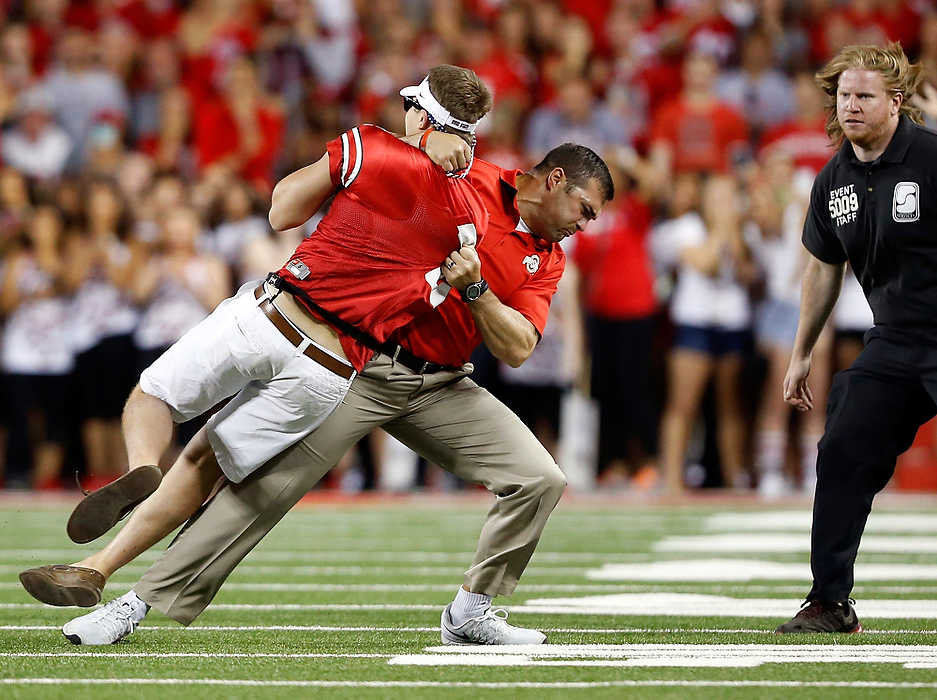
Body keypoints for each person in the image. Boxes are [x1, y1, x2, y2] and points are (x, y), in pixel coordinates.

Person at [44, 142, 613, 647]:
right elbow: (391, 162)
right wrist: (428, 142)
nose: (583, 225)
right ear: (555, 179)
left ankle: (472, 610)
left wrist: (478, 290)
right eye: (585, 209)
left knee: (542, 478)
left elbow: (517, 347)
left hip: (442, 382)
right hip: (359, 362)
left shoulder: (550, 258)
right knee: (259, 490)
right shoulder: (466, 178)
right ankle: (131, 606)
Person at [19, 64, 490, 551]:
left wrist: (394, 152)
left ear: (422, 115)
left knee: (151, 397)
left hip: (276, 314)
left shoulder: (373, 146)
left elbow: (281, 210)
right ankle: (102, 566)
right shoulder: (472, 213)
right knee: (205, 465)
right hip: (336, 363)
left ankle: (141, 466)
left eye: (409, 105)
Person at [776, 42, 932, 633]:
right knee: (841, 449)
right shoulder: (833, 178)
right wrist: (801, 352)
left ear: (896, 102)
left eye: (865, 96)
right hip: (893, 339)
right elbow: (823, 267)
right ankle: (830, 600)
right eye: (844, 96)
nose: (852, 106)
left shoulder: (931, 158)